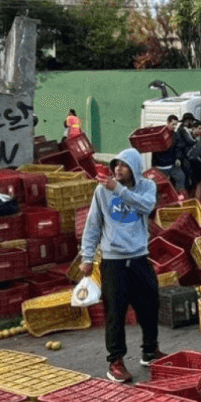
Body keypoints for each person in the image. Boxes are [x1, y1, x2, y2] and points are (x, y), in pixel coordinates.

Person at [80, 148, 161, 383]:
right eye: (116, 165)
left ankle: (150, 351)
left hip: (139, 258)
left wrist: (119, 190)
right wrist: (87, 257)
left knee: (150, 305)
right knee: (115, 313)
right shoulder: (102, 191)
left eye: (123, 165)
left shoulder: (147, 187)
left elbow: (146, 207)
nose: (118, 169)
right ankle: (115, 361)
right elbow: (93, 224)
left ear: (134, 168)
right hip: (113, 261)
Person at [151, 115, 187, 192]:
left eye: (176, 125)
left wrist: (178, 158)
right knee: (159, 185)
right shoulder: (159, 134)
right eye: (173, 124)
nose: (174, 126)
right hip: (159, 166)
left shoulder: (176, 135)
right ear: (168, 122)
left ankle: (179, 195)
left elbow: (178, 148)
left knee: (181, 177)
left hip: (171, 166)